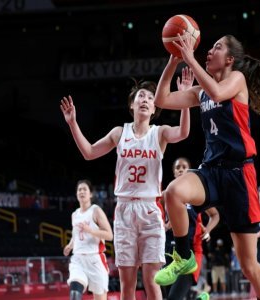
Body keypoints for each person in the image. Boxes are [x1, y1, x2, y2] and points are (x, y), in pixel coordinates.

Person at [153, 31, 260, 300]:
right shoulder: (200, 91)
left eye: (216, 47)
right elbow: (162, 100)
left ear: (229, 59)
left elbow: (217, 93)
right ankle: (183, 257)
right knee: (173, 192)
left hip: (240, 175)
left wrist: (190, 59)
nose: (209, 50)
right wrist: (174, 60)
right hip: (212, 171)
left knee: (249, 265)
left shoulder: (236, 80)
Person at [60, 78, 190, 300]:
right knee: (127, 283)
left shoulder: (159, 133)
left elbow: (183, 133)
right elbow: (89, 152)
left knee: (152, 279)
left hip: (150, 210)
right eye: (141, 96)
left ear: (154, 108)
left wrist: (185, 100)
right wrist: (73, 123)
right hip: (124, 211)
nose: (145, 100)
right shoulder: (120, 133)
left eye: (150, 98)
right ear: (132, 104)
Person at [164, 156, 219, 300]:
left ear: (189, 171)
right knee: (171, 296)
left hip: (191, 253)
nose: (181, 169)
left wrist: (207, 230)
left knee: (173, 298)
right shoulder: (165, 195)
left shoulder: (196, 196)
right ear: (174, 172)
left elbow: (215, 215)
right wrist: (163, 227)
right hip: (168, 252)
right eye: (178, 167)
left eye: (184, 167)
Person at [63, 179, 113, 300]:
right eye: (79, 189)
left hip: (95, 260)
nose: (81, 191)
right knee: (74, 293)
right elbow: (76, 235)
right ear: (76, 194)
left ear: (90, 194)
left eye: (84, 189)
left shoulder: (96, 211)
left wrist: (90, 230)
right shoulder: (74, 215)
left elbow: (109, 235)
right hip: (78, 259)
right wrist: (70, 245)